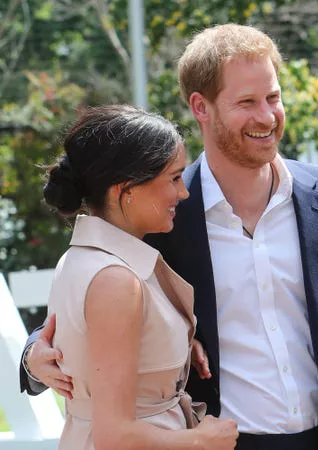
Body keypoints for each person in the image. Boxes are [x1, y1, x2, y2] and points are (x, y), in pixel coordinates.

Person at [21, 24, 318, 450]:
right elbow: (91, 302)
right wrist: (32, 357)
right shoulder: (160, 211)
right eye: (246, 102)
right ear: (200, 107)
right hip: (212, 440)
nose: (266, 116)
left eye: (273, 98)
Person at [31, 104, 238, 449]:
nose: (183, 193)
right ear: (125, 190)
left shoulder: (82, 258)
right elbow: (115, 435)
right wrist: (202, 440)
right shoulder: (116, 279)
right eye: (173, 178)